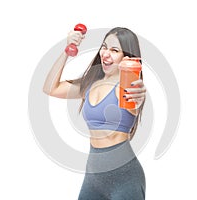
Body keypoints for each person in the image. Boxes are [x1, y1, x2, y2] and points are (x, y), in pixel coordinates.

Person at [43, 27, 147, 199]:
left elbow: (135, 99)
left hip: (126, 179)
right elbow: (50, 88)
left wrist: (138, 91)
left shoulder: (127, 88)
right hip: (93, 179)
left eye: (114, 50)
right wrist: (67, 50)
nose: (105, 54)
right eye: (104, 47)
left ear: (126, 57)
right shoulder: (90, 84)